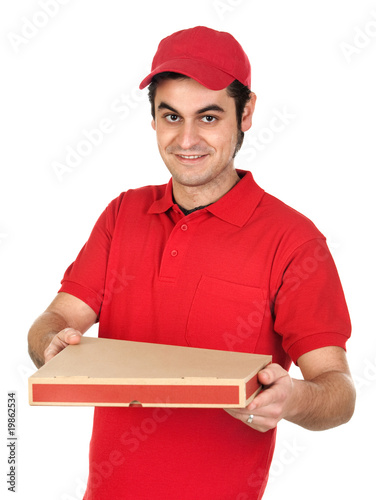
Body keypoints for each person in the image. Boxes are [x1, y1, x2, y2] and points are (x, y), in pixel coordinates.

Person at [28, 26, 356, 500]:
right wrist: (50, 347)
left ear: (245, 114)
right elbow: (57, 318)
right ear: (154, 120)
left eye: (208, 117)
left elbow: (338, 392)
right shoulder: (124, 214)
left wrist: (294, 398)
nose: (186, 139)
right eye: (170, 116)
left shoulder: (295, 242)